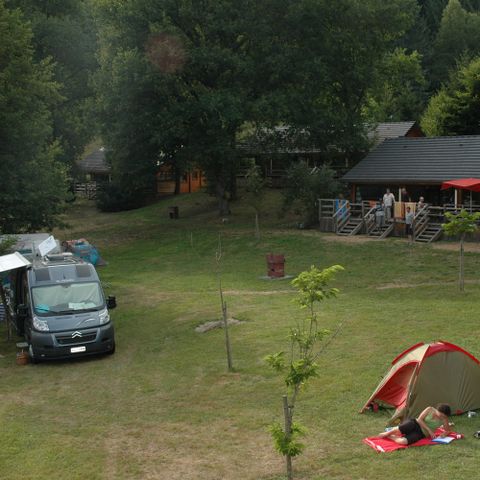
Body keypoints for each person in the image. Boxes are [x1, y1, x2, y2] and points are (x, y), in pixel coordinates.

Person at [377, 404, 452, 445]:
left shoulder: (444, 419)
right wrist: (429, 430)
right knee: (401, 429)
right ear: (437, 410)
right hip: (415, 423)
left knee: (403, 442)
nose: (441, 417)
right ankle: (387, 433)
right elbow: (419, 419)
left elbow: (448, 431)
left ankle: (390, 436)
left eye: (443, 416)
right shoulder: (430, 409)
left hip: (422, 433)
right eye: (440, 414)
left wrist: (444, 434)